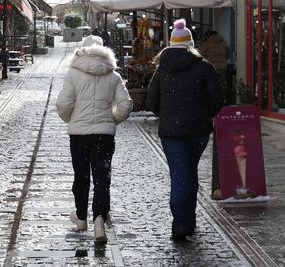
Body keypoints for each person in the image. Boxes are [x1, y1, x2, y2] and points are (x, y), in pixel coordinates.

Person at [146, 18, 224, 241]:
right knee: (190, 171)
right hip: (198, 130)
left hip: (172, 132)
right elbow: (217, 99)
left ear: (171, 43)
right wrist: (202, 115)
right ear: (190, 44)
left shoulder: (162, 69)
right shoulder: (204, 67)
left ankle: (182, 223)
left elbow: (151, 101)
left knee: (180, 174)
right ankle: (187, 221)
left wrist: (168, 116)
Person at [56, 35, 133, 243]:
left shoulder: (73, 73)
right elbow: (126, 105)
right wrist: (110, 120)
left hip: (79, 135)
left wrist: (70, 120)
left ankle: (81, 217)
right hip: (104, 136)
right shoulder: (113, 76)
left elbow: (63, 103)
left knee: (81, 176)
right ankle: (99, 219)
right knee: (102, 176)